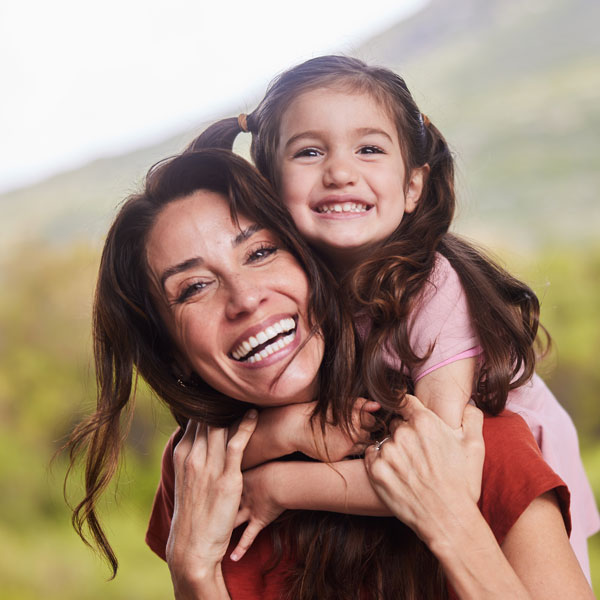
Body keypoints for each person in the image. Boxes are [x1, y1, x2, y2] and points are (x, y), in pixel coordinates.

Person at [64, 147, 592, 598]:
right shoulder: (201, 482)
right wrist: (195, 575)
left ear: (314, 262)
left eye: (262, 251)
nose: (245, 298)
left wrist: (449, 519)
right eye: (194, 287)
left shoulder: (479, 442)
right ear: (170, 350)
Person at [189, 55, 599, 576]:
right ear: (268, 187)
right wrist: (289, 430)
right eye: (310, 151)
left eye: (369, 149)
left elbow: (446, 474)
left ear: (412, 186)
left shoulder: (435, 291)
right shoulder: (284, 289)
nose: (340, 171)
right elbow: (207, 456)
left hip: (513, 469)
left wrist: (280, 486)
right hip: (392, 456)